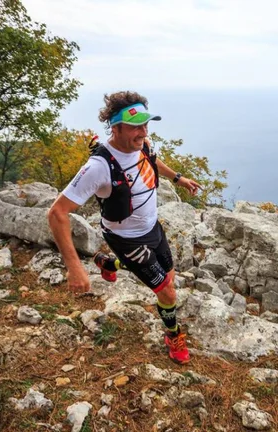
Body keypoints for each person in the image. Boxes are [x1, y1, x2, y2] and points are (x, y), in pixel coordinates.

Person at [47, 91, 201, 365]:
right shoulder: (98, 167)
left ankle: (110, 264)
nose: (143, 132)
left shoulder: (141, 144)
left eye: (146, 125)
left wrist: (178, 178)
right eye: (135, 126)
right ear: (115, 127)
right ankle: (173, 335)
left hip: (152, 228)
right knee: (167, 291)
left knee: (170, 277)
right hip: (125, 238)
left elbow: (152, 161)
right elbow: (57, 212)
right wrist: (73, 267)